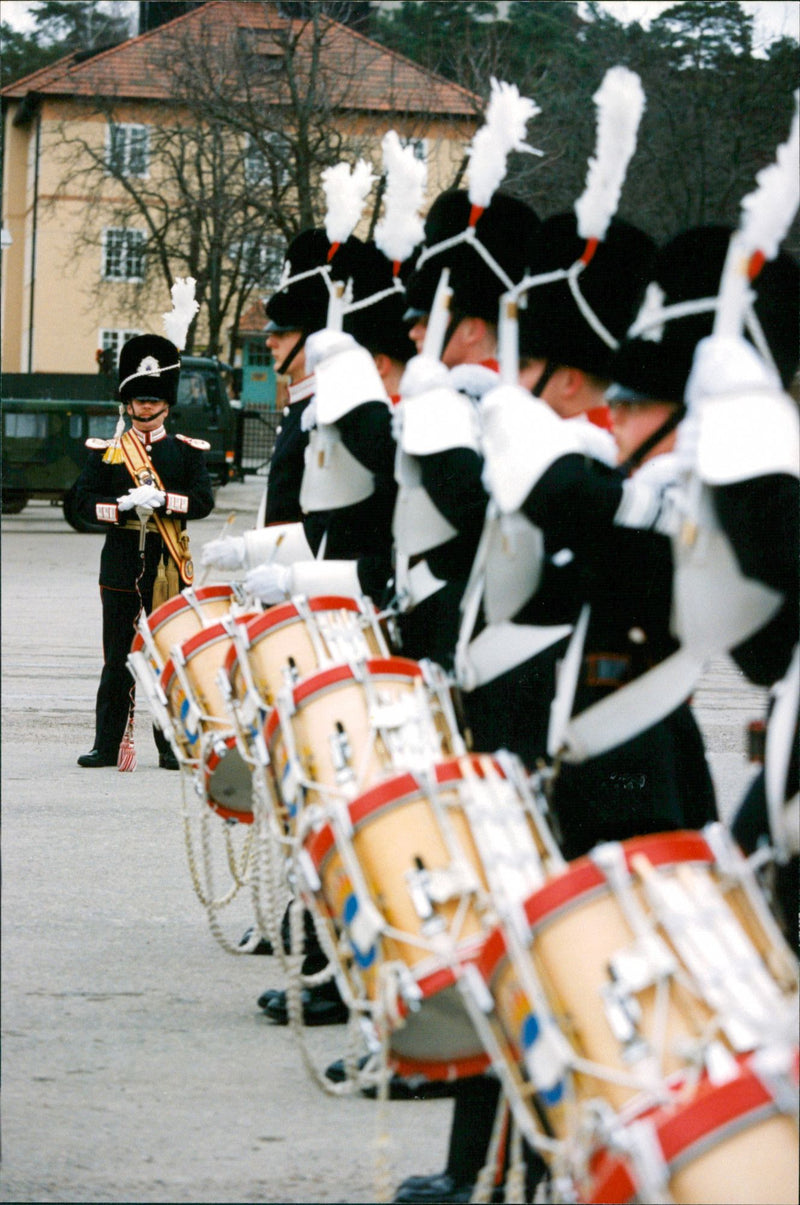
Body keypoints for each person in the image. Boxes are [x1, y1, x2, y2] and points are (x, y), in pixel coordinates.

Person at [75, 333, 215, 769]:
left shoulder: (185, 453)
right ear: (128, 403)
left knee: (167, 657)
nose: (146, 408)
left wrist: (166, 500)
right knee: (117, 658)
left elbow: (204, 501)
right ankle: (107, 743)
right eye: (139, 400)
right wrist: (119, 508)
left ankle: (170, 745)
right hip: (119, 568)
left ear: (166, 403)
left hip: (166, 567)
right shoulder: (109, 453)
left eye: (154, 400)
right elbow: (80, 503)